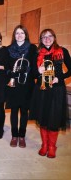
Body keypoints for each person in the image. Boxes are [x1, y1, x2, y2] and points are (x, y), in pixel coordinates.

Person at [30, 28, 71, 158]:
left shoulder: (62, 51)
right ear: (41, 40)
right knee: (42, 117)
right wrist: (38, 71)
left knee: (53, 118)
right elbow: (33, 73)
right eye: (44, 37)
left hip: (57, 89)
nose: (47, 39)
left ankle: (52, 146)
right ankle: (44, 145)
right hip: (41, 89)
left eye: (49, 36)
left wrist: (61, 77)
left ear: (54, 37)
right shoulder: (37, 53)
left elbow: (70, 70)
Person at [6, 25, 36, 148]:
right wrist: (11, 73)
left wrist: (27, 69)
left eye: (22, 33)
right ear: (14, 35)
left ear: (26, 35)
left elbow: (34, 65)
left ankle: (22, 136)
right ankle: (14, 135)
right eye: (17, 33)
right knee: (13, 111)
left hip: (26, 84)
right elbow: (6, 66)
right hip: (13, 84)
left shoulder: (32, 48)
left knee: (24, 112)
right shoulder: (9, 49)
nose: (19, 35)